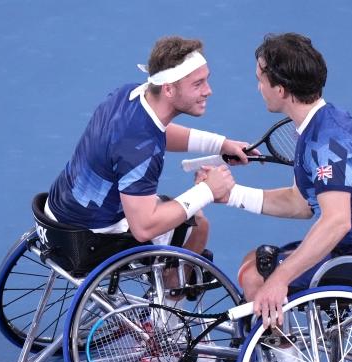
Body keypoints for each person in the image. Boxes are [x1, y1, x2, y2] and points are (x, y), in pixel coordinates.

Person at [225, 32, 352, 328]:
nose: (258, 87)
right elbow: (301, 204)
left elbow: (336, 221)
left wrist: (281, 278)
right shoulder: (319, 124)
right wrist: (232, 194)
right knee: (252, 261)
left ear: (280, 89)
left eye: (260, 79)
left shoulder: (328, 140)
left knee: (256, 278)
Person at [46, 36, 253, 255]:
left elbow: (157, 132)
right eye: (197, 84)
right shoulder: (141, 152)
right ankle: (175, 289)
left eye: (206, 80)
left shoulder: (128, 95)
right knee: (198, 225)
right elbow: (143, 229)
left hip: (59, 209)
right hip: (90, 235)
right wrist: (208, 190)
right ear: (169, 89)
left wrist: (220, 144)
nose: (208, 90)